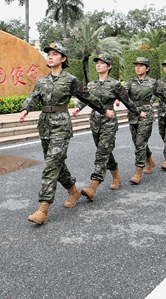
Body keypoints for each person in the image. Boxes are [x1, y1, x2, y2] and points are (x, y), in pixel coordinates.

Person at [19, 43, 114, 225]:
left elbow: (88, 97)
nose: (50, 57)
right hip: (45, 125)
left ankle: (43, 208)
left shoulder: (70, 80)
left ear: (63, 59)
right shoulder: (42, 81)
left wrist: (104, 111)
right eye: (49, 54)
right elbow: (33, 97)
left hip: (61, 126)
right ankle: (73, 190)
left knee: (51, 166)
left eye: (55, 54)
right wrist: (25, 109)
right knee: (56, 163)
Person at [72, 54, 145, 201]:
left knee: (101, 153)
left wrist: (137, 112)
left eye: (102, 63)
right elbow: (87, 98)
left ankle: (93, 186)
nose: (98, 65)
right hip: (95, 121)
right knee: (105, 151)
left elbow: (127, 100)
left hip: (109, 121)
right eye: (97, 63)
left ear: (109, 66)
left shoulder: (115, 84)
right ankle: (116, 176)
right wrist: (78, 108)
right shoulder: (91, 84)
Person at [120, 57, 166, 185]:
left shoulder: (153, 82)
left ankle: (138, 172)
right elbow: (123, 92)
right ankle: (149, 160)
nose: (137, 67)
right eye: (136, 65)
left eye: (141, 65)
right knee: (137, 142)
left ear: (147, 68)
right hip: (133, 113)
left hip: (146, 114)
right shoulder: (130, 81)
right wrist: (118, 99)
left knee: (140, 142)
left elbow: (163, 96)